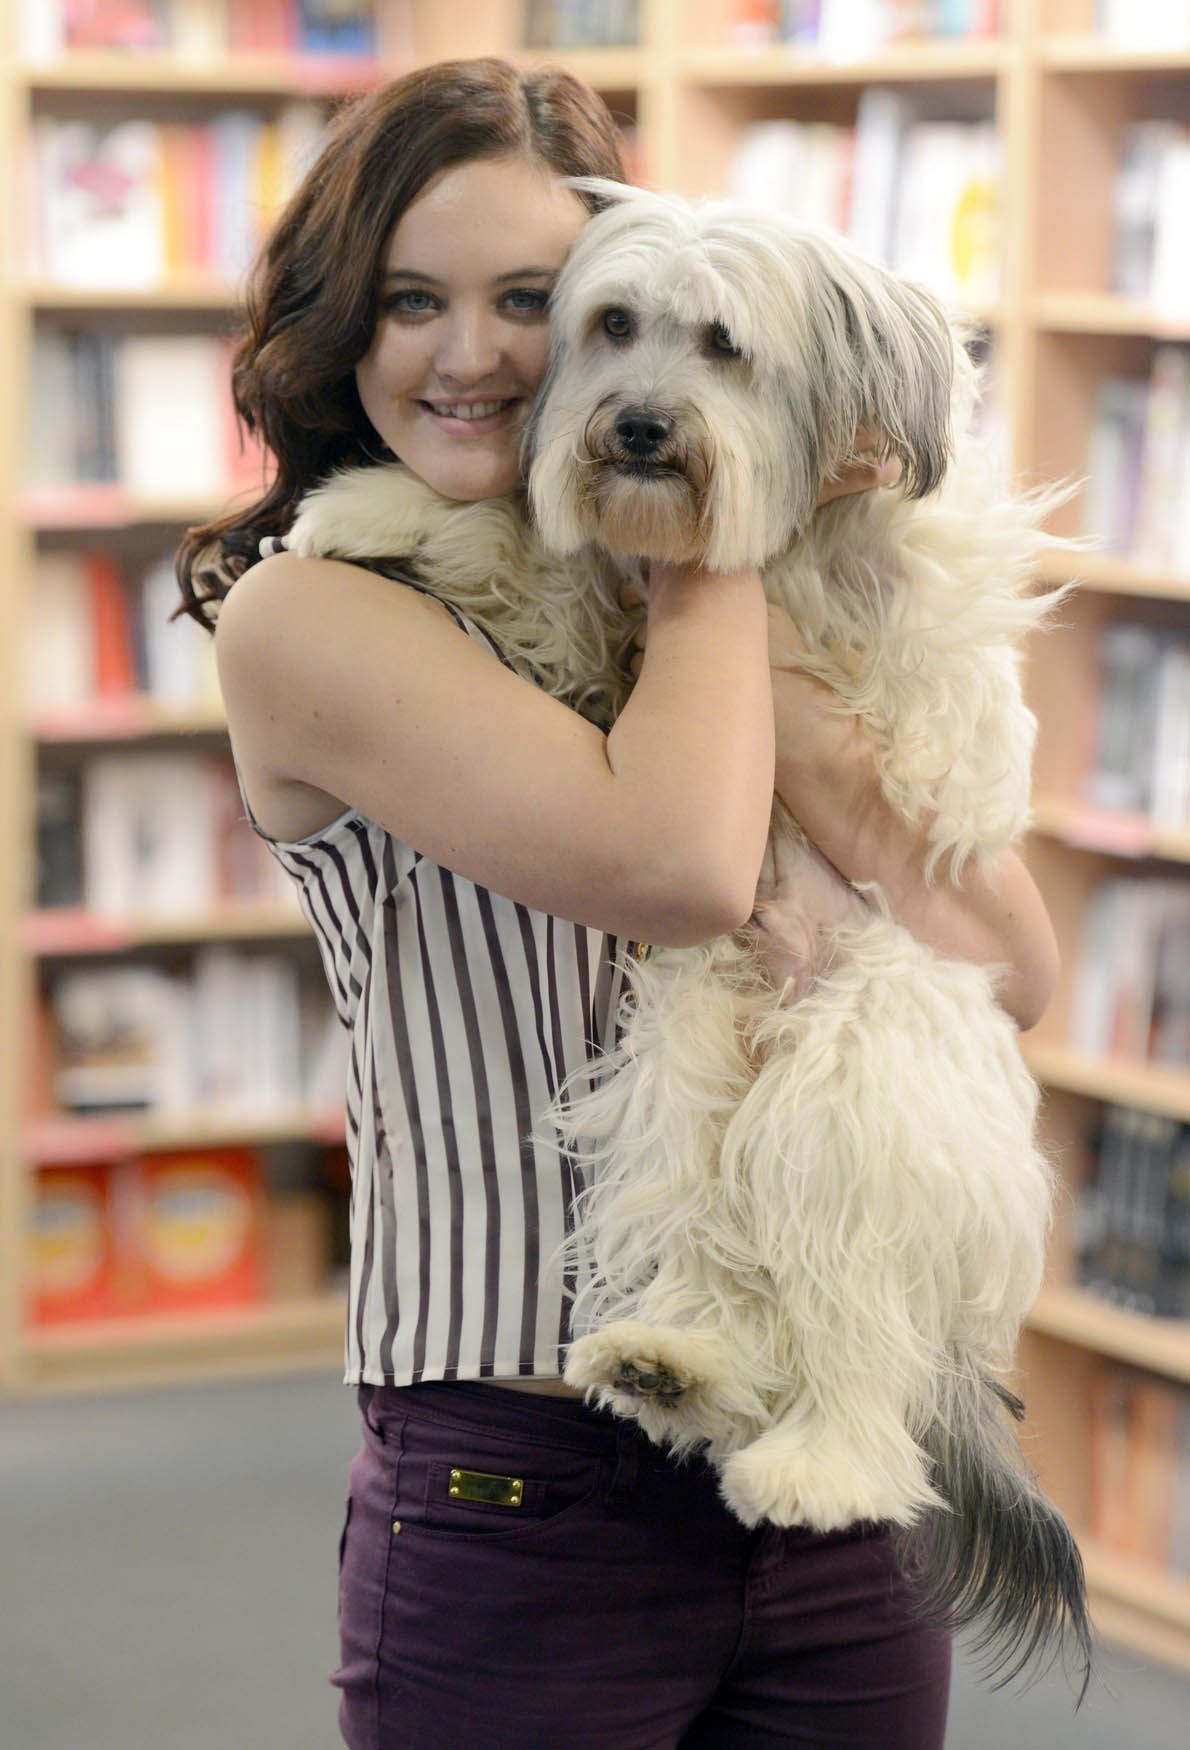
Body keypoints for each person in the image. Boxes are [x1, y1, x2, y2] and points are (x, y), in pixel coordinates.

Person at [176, 56, 1058, 1750]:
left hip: (827, 1468)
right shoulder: (316, 613)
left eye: (527, 298)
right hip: (525, 1481)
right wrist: (731, 523)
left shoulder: (691, 603)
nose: (472, 353)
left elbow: (1008, 964)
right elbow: (680, 865)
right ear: (338, 326)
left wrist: (737, 544)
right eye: (409, 299)